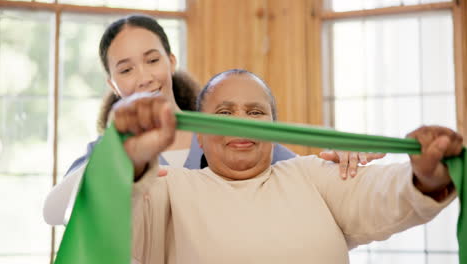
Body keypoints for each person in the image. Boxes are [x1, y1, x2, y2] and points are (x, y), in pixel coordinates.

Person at [42, 15, 382, 226]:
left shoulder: (224, 131)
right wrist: (120, 154)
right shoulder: (106, 150)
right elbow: (56, 212)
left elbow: (297, 179)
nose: (144, 77)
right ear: (112, 84)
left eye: (152, 60)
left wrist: (339, 158)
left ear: (171, 61)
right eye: (126, 69)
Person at [113, 69, 462, 263]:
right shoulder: (169, 188)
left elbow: (383, 193)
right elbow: (112, 219)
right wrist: (130, 158)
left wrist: (423, 176)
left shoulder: (310, 174)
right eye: (224, 113)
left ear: (273, 129)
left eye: (255, 113)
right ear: (199, 136)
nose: (242, 123)